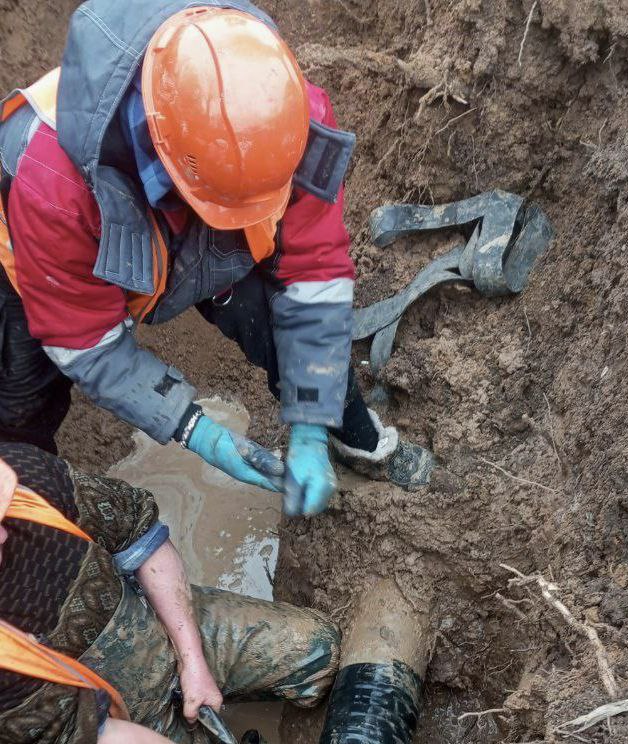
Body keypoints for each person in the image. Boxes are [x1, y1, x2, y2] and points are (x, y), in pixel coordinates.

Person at [0, 0, 433, 520]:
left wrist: (311, 422)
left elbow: (315, 275)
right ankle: (37, 521)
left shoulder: (284, 118)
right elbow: (84, 340)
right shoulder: (53, 183)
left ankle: (352, 436)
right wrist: (193, 429)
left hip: (193, 214)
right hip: (34, 267)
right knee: (21, 409)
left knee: (278, 316)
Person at [0, 442, 340, 743]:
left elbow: (140, 538)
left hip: (157, 627)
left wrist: (192, 662)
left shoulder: (26, 483)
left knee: (319, 649)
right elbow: (93, 735)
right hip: (101, 723)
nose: (3, 534)